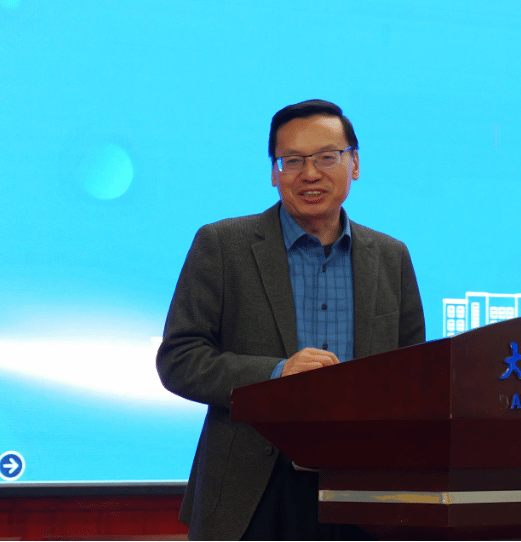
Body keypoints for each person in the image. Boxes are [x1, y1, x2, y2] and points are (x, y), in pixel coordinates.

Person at [156, 99, 426, 540]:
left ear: (355, 164)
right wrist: (277, 374)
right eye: (293, 161)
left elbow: (415, 374)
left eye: (327, 157)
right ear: (274, 172)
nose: (310, 174)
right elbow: (179, 360)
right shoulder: (223, 245)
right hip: (254, 493)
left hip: (364, 491)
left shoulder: (390, 256)